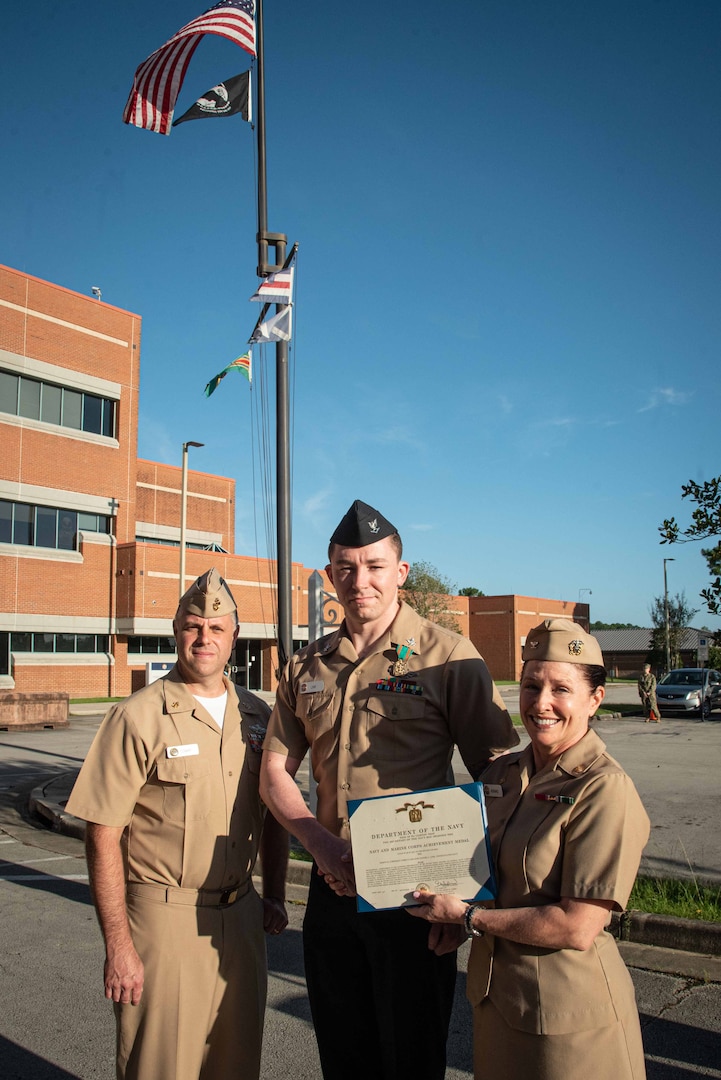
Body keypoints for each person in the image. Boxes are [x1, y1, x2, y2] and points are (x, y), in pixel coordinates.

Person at [260, 499, 519, 1080]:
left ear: (401, 573)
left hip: (417, 899)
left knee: (411, 1060)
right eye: (346, 568)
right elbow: (275, 771)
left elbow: (498, 777)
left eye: (375, 566)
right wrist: (317, 843)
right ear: (330, 576)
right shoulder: (307, 669)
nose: (360, 581)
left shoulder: (449, 657)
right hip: (332, 892)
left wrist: (467, 896)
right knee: (344, 1056)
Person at [66, 568, 289, 1080]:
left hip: (241, 919)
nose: (204, 638)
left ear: (235, 636)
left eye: (216, 628)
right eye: (193, 626)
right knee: (160, 1067)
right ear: (175, 631)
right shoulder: (137, 717)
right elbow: (102, 833)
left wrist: (274, 893)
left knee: (236, 1065)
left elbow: (276, 813)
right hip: (164, 923)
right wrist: (118, 945)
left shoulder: (256, 717)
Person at [408, 618, 650, 1080]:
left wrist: (466, 918)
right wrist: (456, 917)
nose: (541, 704)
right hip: (498, 1008)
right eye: (531, 685)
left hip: (569, 1024)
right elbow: (487, 878)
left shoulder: (604, 788)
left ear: (594, 699)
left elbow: (577, 926)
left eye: (561, 689)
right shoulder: (501, 776)